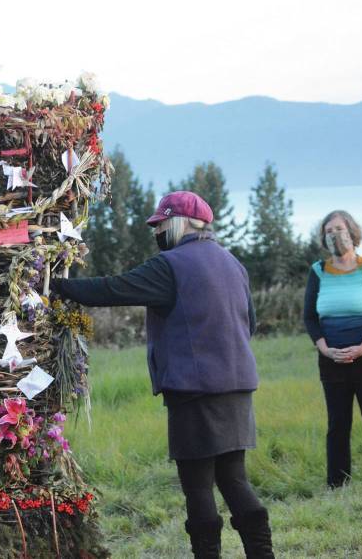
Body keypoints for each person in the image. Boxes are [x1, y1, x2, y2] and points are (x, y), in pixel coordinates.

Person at [51, 191, 274, 559]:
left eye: (161, 224)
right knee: (234, 479)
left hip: (193, 390)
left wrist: (57, 287)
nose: (156, 231)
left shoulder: (170, 265)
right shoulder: (233, 263)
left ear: (182, 223)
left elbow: (111, 289)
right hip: (237, 387)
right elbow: (248, 322)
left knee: (198, 486)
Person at [303, 210, 362, 488]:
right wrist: (326, 349)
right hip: (332, 360)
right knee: (338, 424)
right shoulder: (318, 271)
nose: (334, 235)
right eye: (328, 231)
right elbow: (310, 317)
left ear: (352, 232)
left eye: (339, 229)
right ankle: (337, 485)